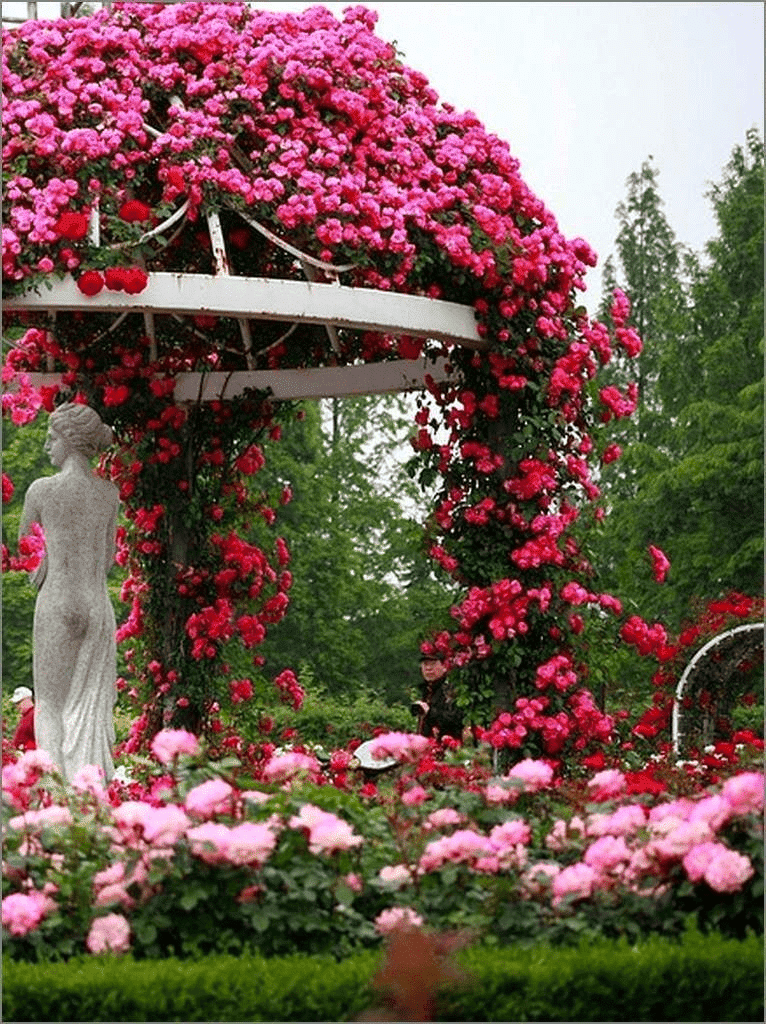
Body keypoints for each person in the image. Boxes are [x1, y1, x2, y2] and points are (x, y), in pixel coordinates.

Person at [19, 403, 119, 782]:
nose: (47, 445)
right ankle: (89, 793)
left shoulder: (42, 490)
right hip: (96, 603)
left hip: (58, 599)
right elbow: (108, 558)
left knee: (48, 704)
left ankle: (54, 800)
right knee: (90, 709)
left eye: (52, 437)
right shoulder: (108, 494)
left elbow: (23, 546)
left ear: (70, 441)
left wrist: (48, 559)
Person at [411, 655, 464, 741]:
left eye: (433, 664)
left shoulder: (450, 688)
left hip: (449, 744)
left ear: (444, 666)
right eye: (425, 664)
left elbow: (455, 720)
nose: (428, 668)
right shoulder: (426, 689)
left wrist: (429, 712)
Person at [11, 686, 35, 750]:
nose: (17, 707)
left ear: (27, 700)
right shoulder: (26, 716)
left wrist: (26, 746)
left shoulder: (34, 715)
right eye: (15, 704)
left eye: (18, 703)